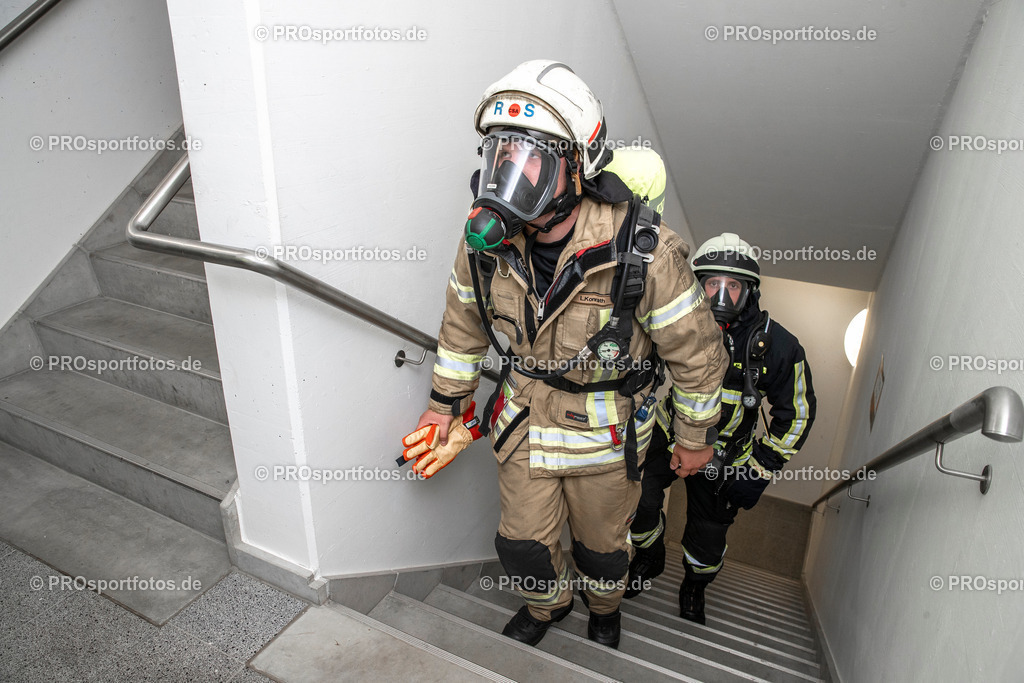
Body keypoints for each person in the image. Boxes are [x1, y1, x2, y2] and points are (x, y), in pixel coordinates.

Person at [402, 60, 728, 649]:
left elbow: (697, 355)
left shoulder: (644, 253)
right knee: (521, 545)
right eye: (502, 155)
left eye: (532, 159)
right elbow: (462, 324)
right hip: (523, 420)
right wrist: (444, 405)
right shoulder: (482, 247)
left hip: (605, 433)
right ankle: (546, 606)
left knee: (602, 552)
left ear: (578, 167)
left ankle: (604, 609)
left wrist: (694, 437)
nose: (510, 176)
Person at [624, 232, 816, 625]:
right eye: (713, 284)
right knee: (636, 499)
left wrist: (759, 469)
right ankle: (649, 555)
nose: (722, 296)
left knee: (707, 540)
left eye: (733, 286)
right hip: (670, 431)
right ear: (698, 285)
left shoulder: (778, 346)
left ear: (750, 291)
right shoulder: (674, 321)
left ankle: (694, 585)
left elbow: (797, 414)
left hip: (728, 455)